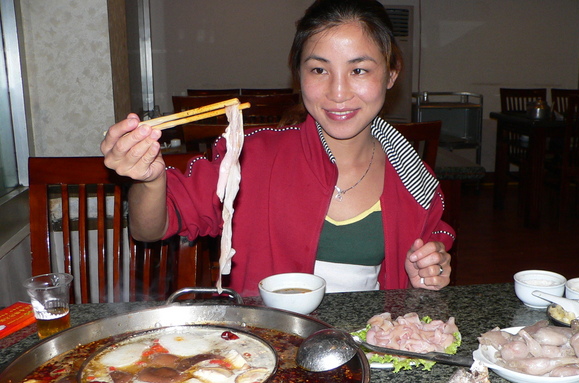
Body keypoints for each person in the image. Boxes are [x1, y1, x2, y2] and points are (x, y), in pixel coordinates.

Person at [101, 0, 455, 297]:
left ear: (392, 74)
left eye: (359, 70)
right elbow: (149, 228)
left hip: (368, 350)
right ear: (298, 75)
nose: (338, 92)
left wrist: (428, 270)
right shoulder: (251, 157)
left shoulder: (413, 177)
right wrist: (149, 179)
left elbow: (426, 263)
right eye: (319, 69)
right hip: (267, 351)